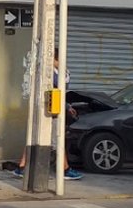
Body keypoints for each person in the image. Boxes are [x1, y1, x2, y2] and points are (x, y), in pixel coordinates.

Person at [13, 47, 83, 180]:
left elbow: (60, 92)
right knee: (54, 139)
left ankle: (22, 166)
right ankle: (64, 169)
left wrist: (67, 106)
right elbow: (54, 89)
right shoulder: (47, 73)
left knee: (38, 138)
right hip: (47, 110)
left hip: (54, 109)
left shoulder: (61, 72)